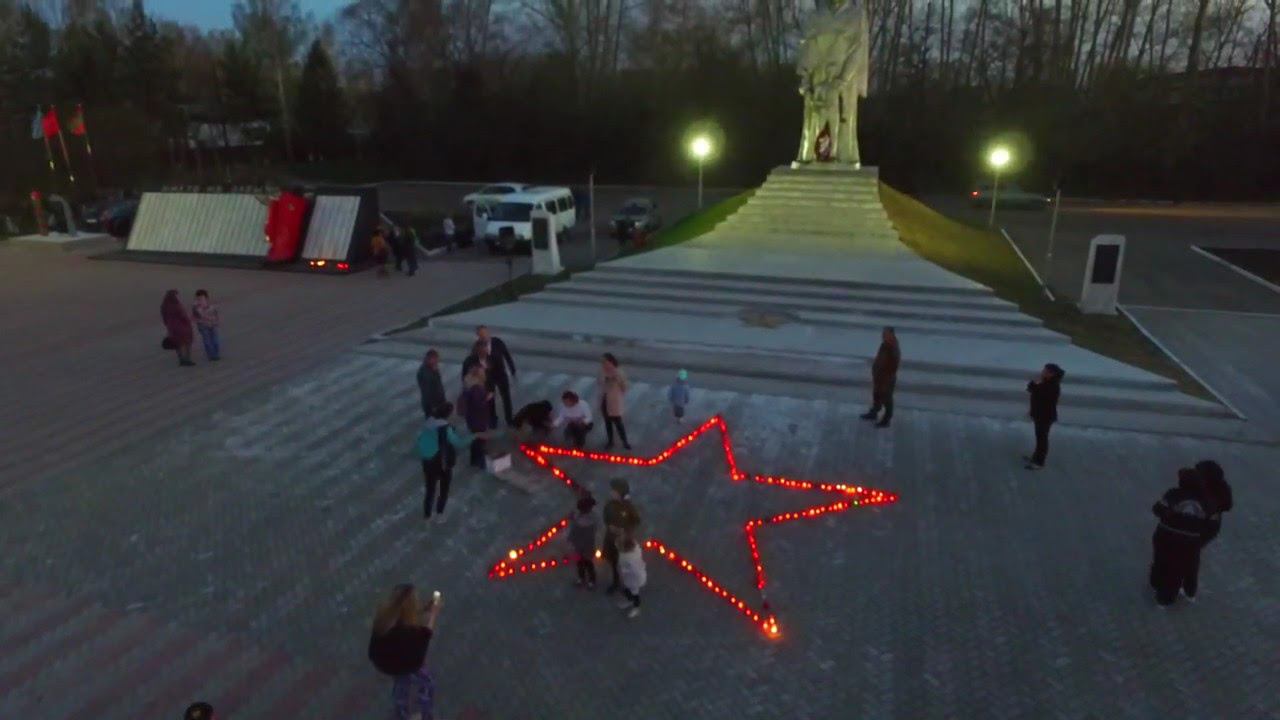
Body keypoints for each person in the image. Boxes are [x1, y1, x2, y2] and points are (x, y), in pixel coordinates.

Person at [368, 583, 442, 720]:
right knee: (415, 709)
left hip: (393, 669)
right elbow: (424, 636)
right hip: (411, 677)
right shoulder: (408, 635)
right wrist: (433, 615)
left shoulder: (384, 621)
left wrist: (425, 609)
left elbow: (406, 618)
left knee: (404, 704)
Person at [1149, 468, 1209, 607]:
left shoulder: (1173, 494)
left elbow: (1157, 509)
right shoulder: (1205, 500)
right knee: (1188, 565)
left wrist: (1168, 513)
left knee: (1163, 561)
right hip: (1191, 540)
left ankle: (1161, 592)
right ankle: (1189, 591)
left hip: (1166, 535)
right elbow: (1210, 523)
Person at [417, 402, 476, 522]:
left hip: (428, 462)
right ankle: (439, 513)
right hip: (442, 463)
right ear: (448, 415)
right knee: (444, 489)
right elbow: (459, 443)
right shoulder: (445, 429)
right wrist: (474, 436)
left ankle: (427, 515)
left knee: (430, 489)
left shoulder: (428, 424)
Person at [1187, 459, 1232, 600]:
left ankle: (1187, 587)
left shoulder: (1201, 486)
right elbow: (1228, 505)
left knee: (1189, 554)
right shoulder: (1223, 487)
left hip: (1201, 525)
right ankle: (1188, 588)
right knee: (1191, 553)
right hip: (1209, 526)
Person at [602, 478, 641, 595]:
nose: (612, 493)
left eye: (614, 491)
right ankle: (615, 581)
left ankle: (629, 584)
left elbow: (636, 520)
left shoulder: (628, 507)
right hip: (611, 538)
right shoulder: (609, 505)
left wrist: (625, 530)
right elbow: (606, 517)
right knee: (613, 561)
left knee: (625, 563)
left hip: (623, 540)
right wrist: (610, 526)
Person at [1024, 363, 1065, 470]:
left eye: (1045, 371)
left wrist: (1034, 383)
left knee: (1042, 439)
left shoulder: (1052, 385)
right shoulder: (1047, 382)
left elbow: (1036, 391)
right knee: (1040, 438)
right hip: (1040, 414)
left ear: (1051, 374)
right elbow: (1032, 390)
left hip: (1045, 416)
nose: (1042, 372)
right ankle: (1035, 457)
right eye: (1044, 370)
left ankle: (1039, 462)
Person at [475, 326, 517, 426]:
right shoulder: (477, 346)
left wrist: (512, 369)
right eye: (481, 335)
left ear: (488, 333)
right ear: (478, 336)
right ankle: (492, 419)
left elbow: (507, 355)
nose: (483, 336)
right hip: (488, 376)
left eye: (484, 333)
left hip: (501, 373)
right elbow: (475, 359)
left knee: (506, 397)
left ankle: (509, 418)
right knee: (490, 397)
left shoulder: (497, 342)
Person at [860, 327, 900, 428]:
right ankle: (874, 412)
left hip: (886, 378)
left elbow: (893, 365)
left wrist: (885, 376)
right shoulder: (885, 345)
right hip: (880, 376)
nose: (882, 336)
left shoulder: (893, 347)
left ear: (891, 334)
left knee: (887, 398)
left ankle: (886, 419)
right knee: (877, 395)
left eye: (885, 334)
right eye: (883, 334)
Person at [459, 361, 493, 468]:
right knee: (479, 439)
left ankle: (474, 459)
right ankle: (478, 460)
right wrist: (488, 397)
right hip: (478, 418)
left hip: (472, 417)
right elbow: (478, 404)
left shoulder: (469, 383)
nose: (485, 374)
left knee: (476, 437)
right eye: (483, 372)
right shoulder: (476, 387)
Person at [598, 353, 631, 450]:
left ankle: (624, 441)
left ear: (611, 361)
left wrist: (616, 381)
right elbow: (599, 382)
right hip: (604, 399)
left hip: (614, 400)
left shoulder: (619, 372)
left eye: (605, 362)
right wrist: (605, 379)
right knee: (607, 422)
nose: (603, 364)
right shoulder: (602, 372)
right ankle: (610, 441)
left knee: (618, 422)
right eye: (602, 362)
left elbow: (625, 386)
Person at [568, 488, 599, 589]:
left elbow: (575, 529)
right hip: (584, 545)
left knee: (585, 563)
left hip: (585, 545)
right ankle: (587, 579)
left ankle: (588, 579)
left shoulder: (585, 520)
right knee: (584, 563)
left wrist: (571, 538)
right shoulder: (589, 517)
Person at [615, 532, 647, 619]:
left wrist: (623, 572)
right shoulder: (635, 548)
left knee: (634, 593)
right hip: (634, 576)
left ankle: (636, 607)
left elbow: (631, 569)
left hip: (634, 579)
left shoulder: (627, 558)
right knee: (628, 590)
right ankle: (629, 600)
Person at [161, 289, 196, 367]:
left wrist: (168, 325)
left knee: (177, 343)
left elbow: (164, 318)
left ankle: (181, 359)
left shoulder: (164, 306)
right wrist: (189, 321)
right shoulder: (177, 305)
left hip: (172, 328)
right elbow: (183, 316)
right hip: (183, 327)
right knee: (187, 343)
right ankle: (187, 359)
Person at [191, 289, 221, 362]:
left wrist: (216, 321)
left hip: (212, 324)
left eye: (202, 297)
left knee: (215, 341)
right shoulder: (196, 306)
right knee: (207, 341)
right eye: (199, 298)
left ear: (206, 297)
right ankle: (212, 355)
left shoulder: (210, 304)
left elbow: (215, 313)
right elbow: (200, 315)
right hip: (203, 325)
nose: (200, 299)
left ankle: (215, 354)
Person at [417, 349, 446, 420]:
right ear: (429, 359)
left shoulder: (432, 369)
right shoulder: (426, 372)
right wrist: (433, 406)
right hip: (433, 405)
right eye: (435, 359)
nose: (437, 361)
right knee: (435, 425)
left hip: (437, 403)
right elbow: (427, 390)